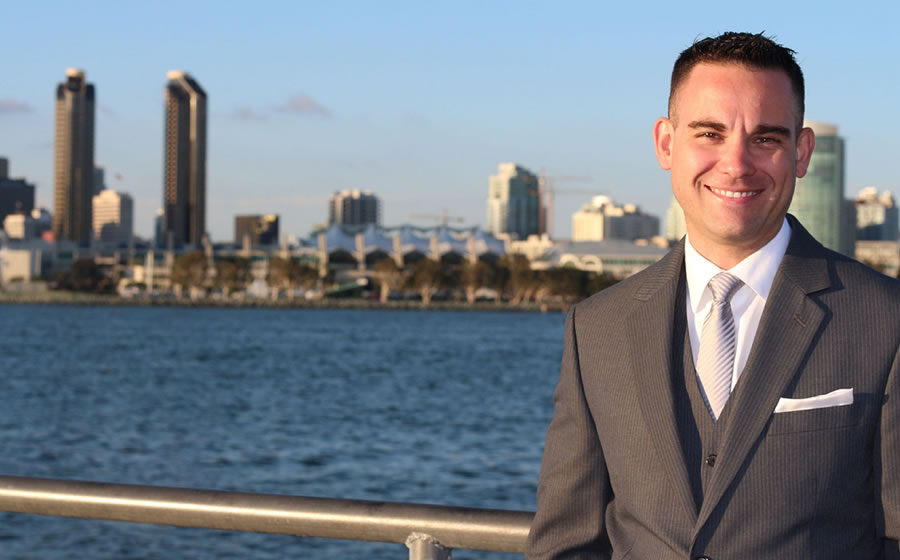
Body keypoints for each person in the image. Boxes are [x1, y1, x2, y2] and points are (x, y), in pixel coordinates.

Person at [526, 32, 900, 559]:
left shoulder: (886, 321)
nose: (737, 163)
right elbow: (567, 543)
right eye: (710, 133)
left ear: (801, 152)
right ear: (666, 143)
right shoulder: (596, 329)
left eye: (765, 138)